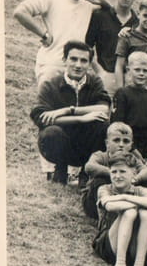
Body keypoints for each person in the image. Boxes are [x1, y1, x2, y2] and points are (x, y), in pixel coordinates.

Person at [30, 40, 110, 184]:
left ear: (89, 64)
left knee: (103, 125)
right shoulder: (50, 84)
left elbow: (104, 108)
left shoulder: (94, 82)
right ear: (64, 60)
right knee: (51, 132)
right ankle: (60, 169)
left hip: (86, 143)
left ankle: (87, 173)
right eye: (73, 59)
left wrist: (68, 110)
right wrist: (81, 118)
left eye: (84, 61)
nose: (78, 65)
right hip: (61, 141)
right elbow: (41, 118)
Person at [14, 0, 106, 85]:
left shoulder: (88, 5)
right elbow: (20, 12)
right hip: (51, 64)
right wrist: (43, 35)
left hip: (76, 68)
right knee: (48, 98)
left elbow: (112, 11)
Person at [93, 151, 147, 266]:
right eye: (114, 172)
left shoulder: (140, 190)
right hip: (108, 244)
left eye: (122, 171)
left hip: (132, 245)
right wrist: (139, 204)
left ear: (134, 173)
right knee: (130, 212)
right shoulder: (105, 188)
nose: (117, 176)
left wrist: (124, 197)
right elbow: (110, 206)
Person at [85, 0, 140, 94]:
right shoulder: (100, 15)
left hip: (131, 79)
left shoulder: (138, 22)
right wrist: (99, 71)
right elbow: (87, 46)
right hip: (107, 76)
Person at [110, 51, 147, 161]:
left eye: (145, 71)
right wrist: (132, 150)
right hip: (128, 147)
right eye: (137, 70)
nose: (141, 74)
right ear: (128, 70)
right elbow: (117, 125)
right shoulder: (122, 94)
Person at [114, 0, 147, 90]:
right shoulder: (127, 36)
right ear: (138, 14)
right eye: (146, 15)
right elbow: (119, 66)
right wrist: (120, 90)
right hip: (132, 84)